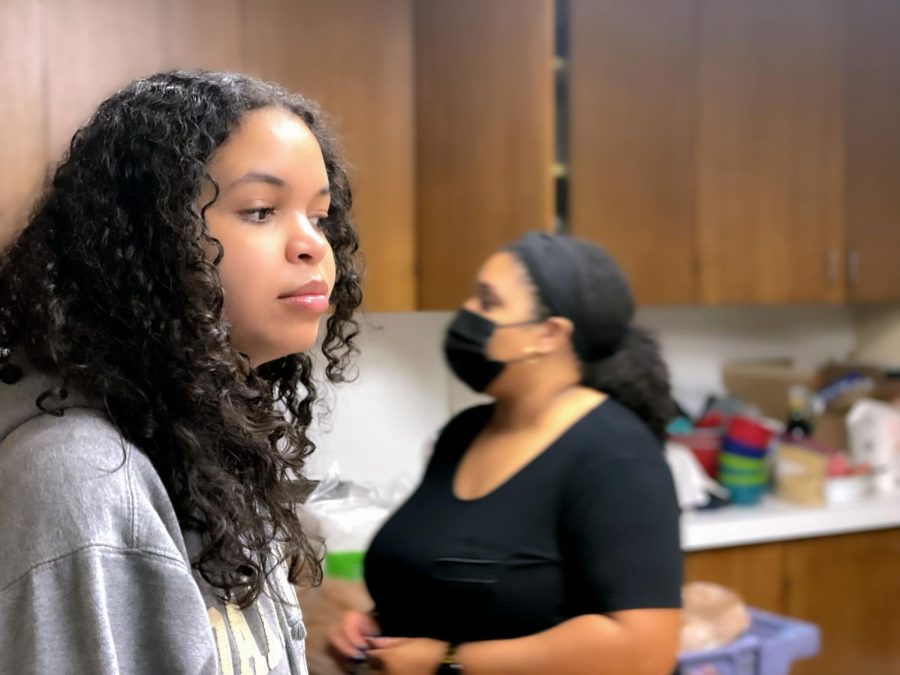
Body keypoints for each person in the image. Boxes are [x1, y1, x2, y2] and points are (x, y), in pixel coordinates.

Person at [0, 70, 362, 674]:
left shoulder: (208, 453)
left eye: (319, 217)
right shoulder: (82, 478)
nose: (312, 246)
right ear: (151, 238)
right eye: (260, 210)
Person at [330, 232, 682, 675]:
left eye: (488, 302)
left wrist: (448, 662)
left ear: (548, 334)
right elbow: (451, 578)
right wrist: (379, 626)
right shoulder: (465, 433)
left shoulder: (617, 456)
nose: (467, 315)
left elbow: (644, 650)